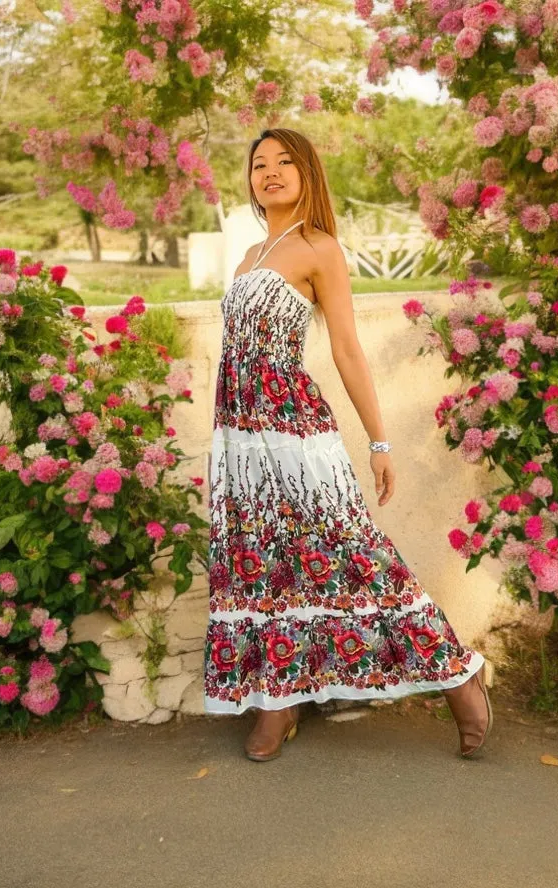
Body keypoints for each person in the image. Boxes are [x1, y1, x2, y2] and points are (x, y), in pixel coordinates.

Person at [203, 127, 492, 761]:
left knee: (356, 558)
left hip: (296, 434)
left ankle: (458, 676)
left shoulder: (319, 249)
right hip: (241, 439)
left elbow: (346, 349)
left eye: (284, 162)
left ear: (308, 174)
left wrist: (380, 443)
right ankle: (278, 699)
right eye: (259, 164)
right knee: (262, 564)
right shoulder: (250, 255)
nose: (270, 172)